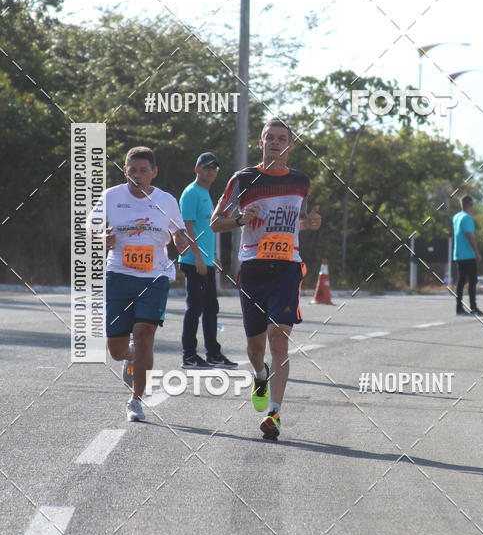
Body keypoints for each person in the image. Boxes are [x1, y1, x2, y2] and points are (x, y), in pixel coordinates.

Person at [210, 118, 321, 440]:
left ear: (290, 144)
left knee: (279, 338)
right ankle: (260, 374)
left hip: (287, 268)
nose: (275, 142)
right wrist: (241, 218)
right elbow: (217, 222)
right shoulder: (244, 179)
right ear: (260, 143)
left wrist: (309, 223)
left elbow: (296, 219)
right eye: (269, 138)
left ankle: (274, 413)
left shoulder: (301, 181)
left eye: (281, 138)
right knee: (255, 348)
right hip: (254, 269)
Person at [88, 146, 187, 422]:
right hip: (119, 275)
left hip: (155, 277)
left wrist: (182, 242)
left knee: (145, 335)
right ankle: (130, 356)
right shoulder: (111, 196)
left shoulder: (166, 201)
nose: (138, 176)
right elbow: (91, 226)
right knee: (116, 350)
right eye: (132, 171)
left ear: (154, 173)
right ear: (125, 172)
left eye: (144, 171)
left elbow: (179, 233)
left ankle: (136, 400)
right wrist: (100, 238)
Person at [179, 152, 237, 370]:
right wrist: (198, 258)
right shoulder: (192, 192)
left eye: (214, 168)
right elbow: (188, 228)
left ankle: (213, 353)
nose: (211, 171)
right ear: (197, 169)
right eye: (206, 167)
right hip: (194, 262)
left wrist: (211, 257)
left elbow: (205, 229)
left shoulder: (205, 193)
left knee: (211, 308)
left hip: (205, 261)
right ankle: (189, 356)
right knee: (194, 309)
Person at [452, 195, 483, 316]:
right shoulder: (467, 218)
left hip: (458, 253)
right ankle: (473, 307)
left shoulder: (456, 217)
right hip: (468, 254)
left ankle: (459, 308)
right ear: (470, 205)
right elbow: (469, 235)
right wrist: (476, 252)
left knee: (461, 282)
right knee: (472, 281)